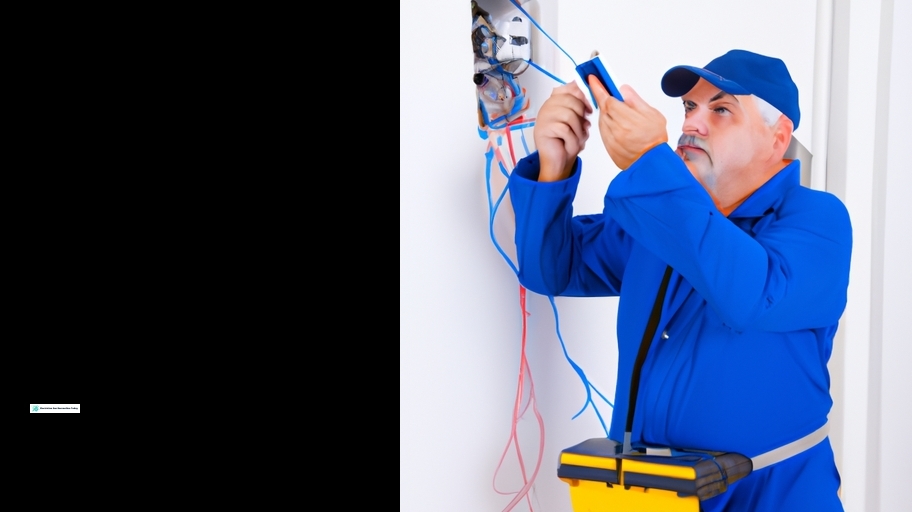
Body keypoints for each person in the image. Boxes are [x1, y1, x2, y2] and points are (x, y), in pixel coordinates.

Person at [508, 50, 850, 511]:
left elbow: (751, 296)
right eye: (690, 107)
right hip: (652, 495)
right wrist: (555, 164)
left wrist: (649, 164)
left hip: (772, 496)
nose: (691, 123)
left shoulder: (817, 220)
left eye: (721, 110)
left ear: (778, 137)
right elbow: (553, 268)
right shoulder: (662, 220)